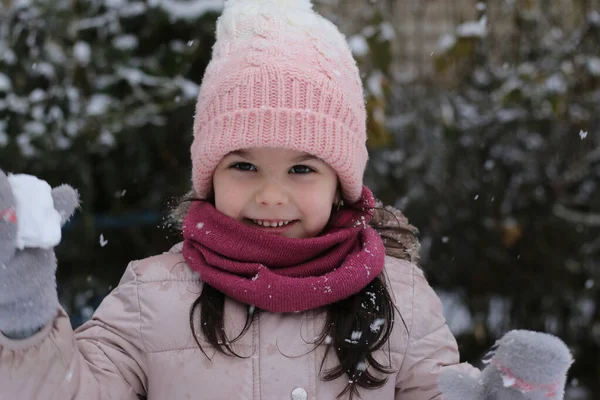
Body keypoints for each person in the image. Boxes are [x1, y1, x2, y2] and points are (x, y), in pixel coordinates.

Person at [0, 0, 494, 399]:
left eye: (301, 168)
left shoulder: (399, 298)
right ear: (210, 175)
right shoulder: (151, 297)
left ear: (340, 183)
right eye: (244, 165)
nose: (271, 195)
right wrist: (23, 319)